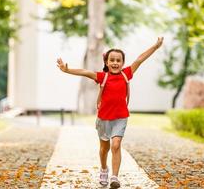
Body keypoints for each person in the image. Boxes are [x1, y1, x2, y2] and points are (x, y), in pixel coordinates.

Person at [56, 37, 163, 189]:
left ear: (123, 63)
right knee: (104, 149)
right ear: (106, 62)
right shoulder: (103, 76)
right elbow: (85, 72)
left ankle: (114, 177)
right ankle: (104, 169)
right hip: (104, 119)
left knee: (116, 145)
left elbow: (140, 59)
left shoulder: (127, 73)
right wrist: (67, 70)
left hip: (120, 117)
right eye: (112, 60)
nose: (115, 63)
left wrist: (155, 46)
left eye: (118, 60)